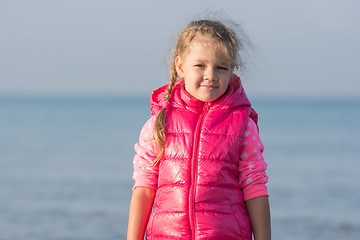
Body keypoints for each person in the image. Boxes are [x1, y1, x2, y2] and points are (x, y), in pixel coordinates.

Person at [127, 19, 271, 240]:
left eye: (221, 67)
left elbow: (255, 188)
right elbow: (144, 188)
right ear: (180, 66)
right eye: (200, 65)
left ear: (232, 71)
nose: (211, 75)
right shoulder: (160, 121)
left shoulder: (242, 125)